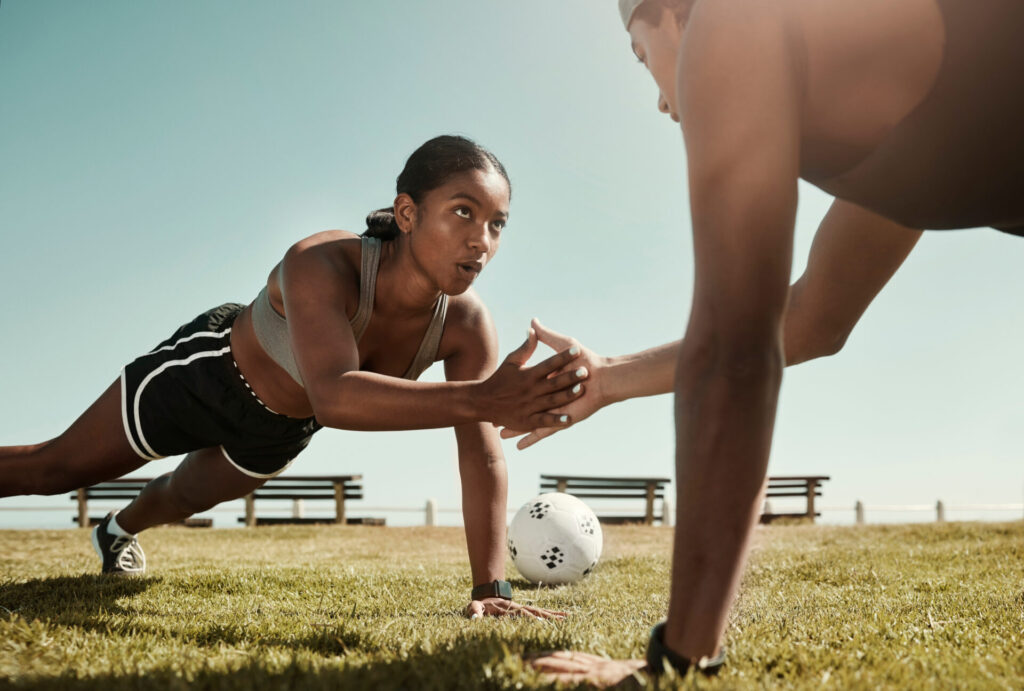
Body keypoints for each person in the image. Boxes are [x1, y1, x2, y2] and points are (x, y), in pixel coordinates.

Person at [523, 0, 1024, 683]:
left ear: (671, 14)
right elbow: (816, 317)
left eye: (643, 60)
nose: (661, 101)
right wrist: (608, 378)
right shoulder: (878, 125)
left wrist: (678, 660)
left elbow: (735, 351)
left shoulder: (734, 22)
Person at [0, 135, 589, 620]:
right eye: (464, 212)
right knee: (53, 470)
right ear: (408, 213)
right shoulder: (322, 261)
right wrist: (482, 398)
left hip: (279, 429)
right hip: (206, 376)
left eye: (497, 224)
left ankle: (115, 532)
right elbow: (335, 395)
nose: (481, 241)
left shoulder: (465, 324)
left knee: (180, 496)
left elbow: (482, 454)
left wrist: (491, 591)